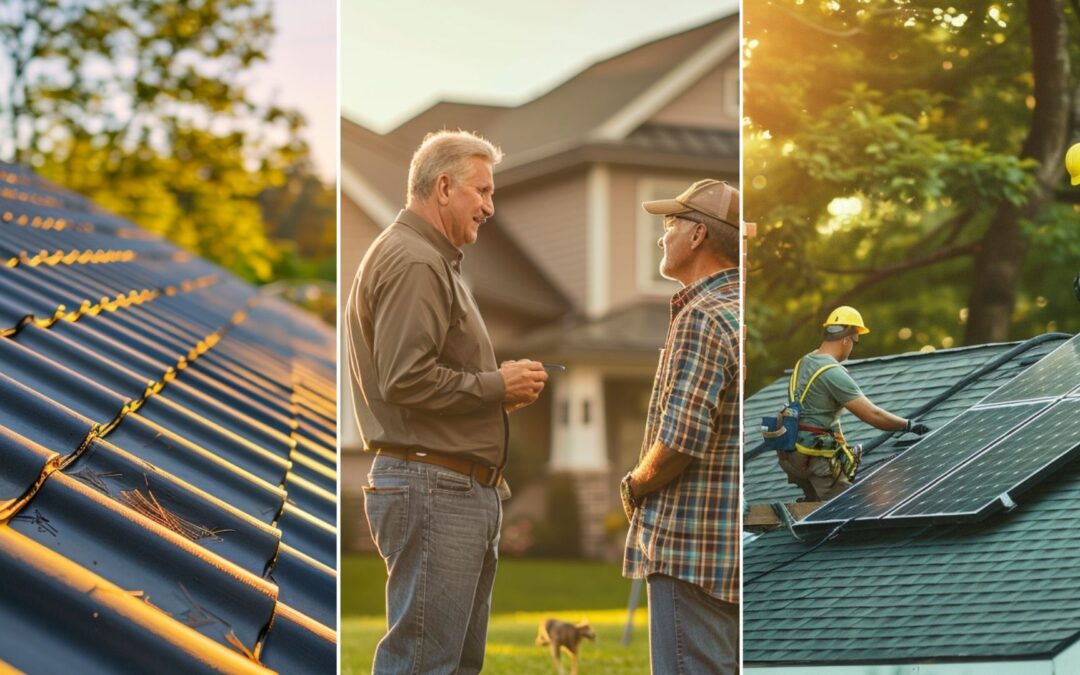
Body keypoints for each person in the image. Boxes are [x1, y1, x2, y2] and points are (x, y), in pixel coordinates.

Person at [346, 129, 549, 674]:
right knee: (423, 665)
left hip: (452, 487)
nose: (489, 207)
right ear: (443, 186)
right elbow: (405, 379)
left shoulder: (433, 261)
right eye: (481, 192)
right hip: (434, 486)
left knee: (453, 665)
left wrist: (496, 392)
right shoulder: (414, 262)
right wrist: (497, 386)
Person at [621, 179, 741, 674]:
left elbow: (680, 441)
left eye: (670, 224)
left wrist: (634, 485)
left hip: (691, 555)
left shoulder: (704, 317)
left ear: (696, 236)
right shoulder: (740, 311)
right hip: (730, 557)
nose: (661, 236)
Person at [775, 306, 930, 502]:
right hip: (815, 460)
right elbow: (873, 415)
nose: (852, 348)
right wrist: (907, 425)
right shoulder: (831, 371)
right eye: (854, 341)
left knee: (815, 515)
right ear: (846, 340)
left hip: (792, 455)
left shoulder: (805, 362)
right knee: (844, 509)